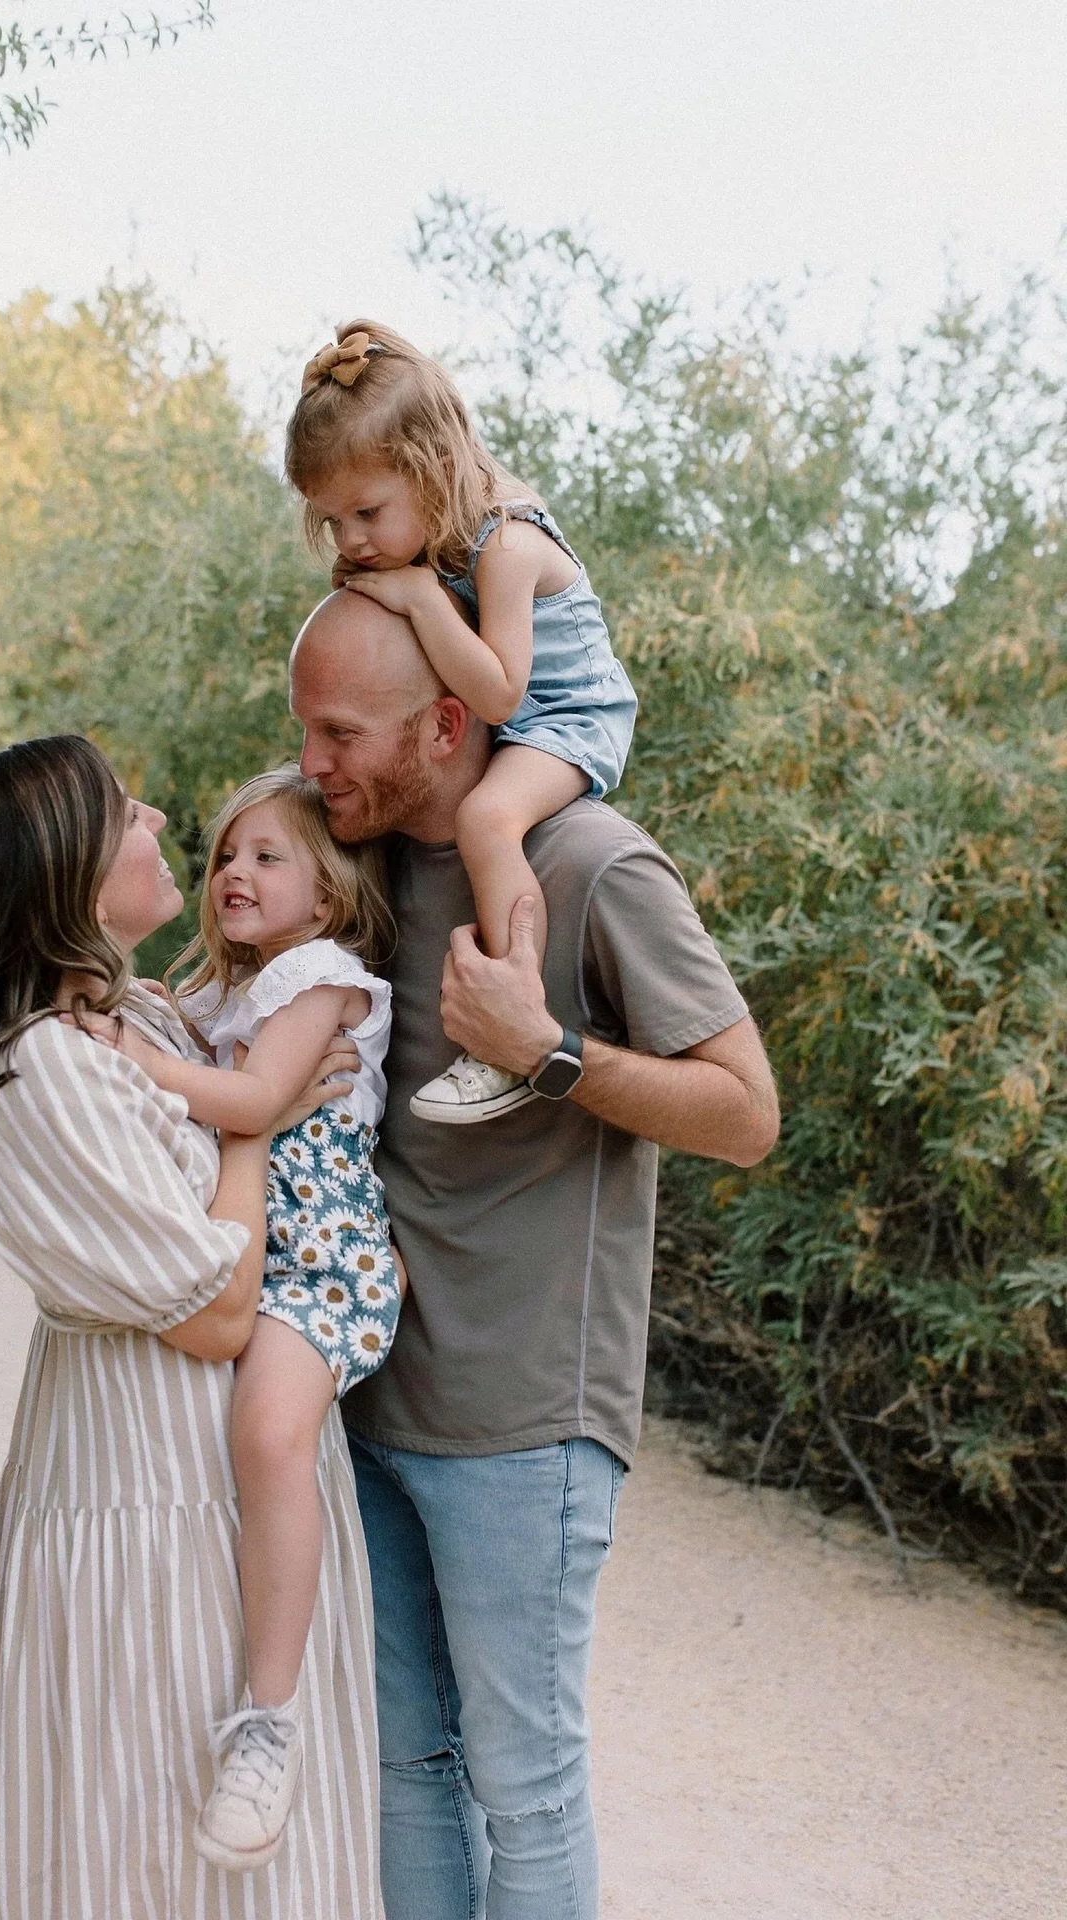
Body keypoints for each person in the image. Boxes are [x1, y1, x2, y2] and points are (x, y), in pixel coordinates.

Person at [289, 593, 780, 1920]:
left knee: (525, 1782)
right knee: (409, 1769)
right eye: (303, 730)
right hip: (369, 1397)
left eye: (338, 731)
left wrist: (549, 1053)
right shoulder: (362, 859)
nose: (311, 761)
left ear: (447, 724)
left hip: (525, 1425)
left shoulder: (596, 864)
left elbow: (745, 1111)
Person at [0, 735, 384, 1920]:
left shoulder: (133, 1015)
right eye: (123, 812)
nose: (155, 816)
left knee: (236, 1846)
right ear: (62, 874)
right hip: (148, 1494)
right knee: (139, 1835)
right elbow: (215, 1313)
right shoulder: (42, 1073)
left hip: (221, 1493)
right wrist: (257, 1126)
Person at [102, 765, 402, 1871]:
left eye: (268, 857)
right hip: (264, 1252)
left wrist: (132, 1059)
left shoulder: (323, 977)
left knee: (269, 1434)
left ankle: (268, 1721)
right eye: (226, 852)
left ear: (325, 898)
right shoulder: (234, 993)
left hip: (324, 1263)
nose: (234, 871)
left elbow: (255, 1106)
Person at [285, 320, 638, 1126]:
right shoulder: (436, 530)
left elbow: (502, 694)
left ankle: (511, 1024)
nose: (353, 539)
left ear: (436, 468)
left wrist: (413, 597)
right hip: (520, 712)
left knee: (486, 816)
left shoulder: (506, 544)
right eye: (336, 522)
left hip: (570, 717)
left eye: (368, 512)